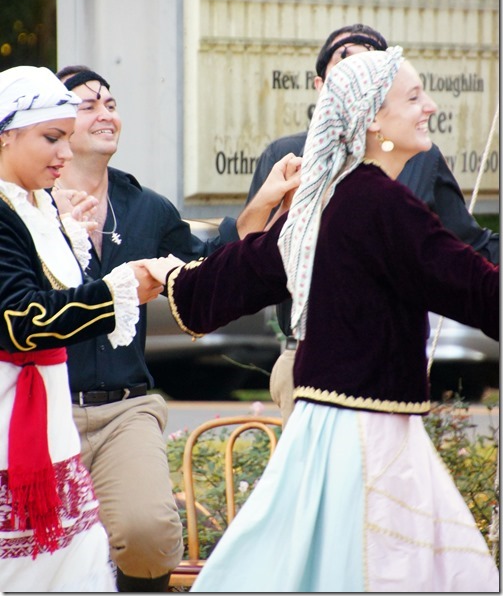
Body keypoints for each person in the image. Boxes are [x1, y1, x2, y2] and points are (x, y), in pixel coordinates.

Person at [145, 48, 499, 592]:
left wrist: (176, 282)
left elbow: (242, 272)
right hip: (368, 440)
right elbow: (476, 291)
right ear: (373, 119)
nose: (429, 106)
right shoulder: (381, 204)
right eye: (413, 96)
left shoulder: (326, 199)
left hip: (325, 429)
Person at [50, 64, 300, 592]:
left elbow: (211, 271)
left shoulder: (147, 209)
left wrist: (265, 204)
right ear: (53, 124)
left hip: (125, 407)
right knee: (45, 553)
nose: (105, 113)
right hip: (43, 405)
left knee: (149, 537)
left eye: (111, 103)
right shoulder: (24, 209)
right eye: (87, 104)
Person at [246, 23, 499, 425]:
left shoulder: (421, 162)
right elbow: (250, 256)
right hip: (311, 363)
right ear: (324, 86)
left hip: (394, 370)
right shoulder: (289, 159)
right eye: (346, 69)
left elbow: (469, 250)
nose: (429, 107)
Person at [0, 66, 164, 592]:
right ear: (6, 134)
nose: (65, 155)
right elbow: (20, 321)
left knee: (73, 560)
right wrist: (118, 292)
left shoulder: (36, 204)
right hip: (11, 414)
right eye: (52, 138)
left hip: (47, 417)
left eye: (67, 141)